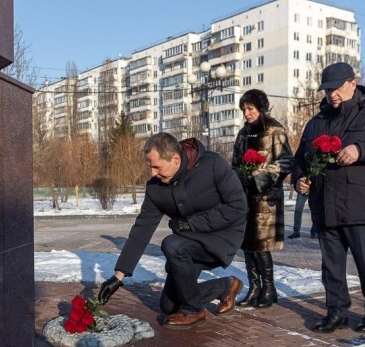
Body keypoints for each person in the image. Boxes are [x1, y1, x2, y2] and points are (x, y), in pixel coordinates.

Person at [292, 62, 365, 334]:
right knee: (331, 266)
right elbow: (300, 158)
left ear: (353, 84)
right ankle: (336, 311)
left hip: (363, 204)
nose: (331, 94)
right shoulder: (316, 122)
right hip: (326, 205)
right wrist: (299, 178)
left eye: (337, 88)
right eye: (327, 89)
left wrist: (361, 149)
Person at [97, 133, 247, 329]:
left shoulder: (212, 164)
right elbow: (142, 228)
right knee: (169, 306)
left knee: (172, 244)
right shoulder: (156, 187)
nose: (152, 173)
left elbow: (237, 207)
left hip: (222, 235)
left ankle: (194, 311)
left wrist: (192, 224)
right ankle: (227, 286)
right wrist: (118, 276)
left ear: (175, 159)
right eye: (150, 167)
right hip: (189, 241)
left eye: (157, 167)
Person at [231, 89, 294, 308]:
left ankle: (269, 289)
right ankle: (254, 287)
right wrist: (241, 176)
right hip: (245, 196)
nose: (247, 113)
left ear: (261, 108)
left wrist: (259, 176)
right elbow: (236, 163)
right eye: (244, 110)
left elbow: (286, 161)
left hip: (266, 198)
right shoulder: (243, 133)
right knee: (248, 244)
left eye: (250, 109)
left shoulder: (274, 130)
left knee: (261, 244)